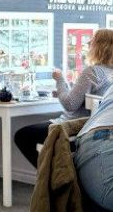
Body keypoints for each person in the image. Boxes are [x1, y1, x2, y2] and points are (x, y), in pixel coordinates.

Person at [13, 28, 113, 167]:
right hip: (95, 129)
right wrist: (64, 89)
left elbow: (70, 104)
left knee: (22, 136)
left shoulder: (93, 71)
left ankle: (51, 178)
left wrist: (59, 80)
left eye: (92, 42)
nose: (89, 44)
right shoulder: (109, 75)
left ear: (99, 47)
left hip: (71, 127)